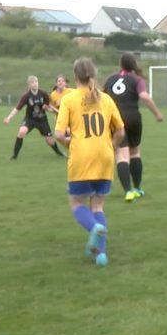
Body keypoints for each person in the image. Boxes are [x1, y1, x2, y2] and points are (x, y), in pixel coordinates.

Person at [54, 57, 125, 267]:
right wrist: (110, 145)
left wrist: (70, 143)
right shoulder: (106, 99)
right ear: (92, 74)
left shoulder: (69, 99)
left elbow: (58, 134)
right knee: (98, 205)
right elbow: (120, 130)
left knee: (77, 204)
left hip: (82, 158)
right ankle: (100, 254)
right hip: (105, 157)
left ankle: (93, 228)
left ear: (75, 76)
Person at [103, 52, 164, 202]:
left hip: (116, 118)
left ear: (120, 64)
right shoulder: (137, 79)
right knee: (135, 152)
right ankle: (137, 188)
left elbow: (102, 98)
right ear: (133, 64)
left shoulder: (110, 79)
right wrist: (157, 113)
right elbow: (143, 96)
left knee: (121, 155)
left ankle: (128, 191)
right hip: (134, 117)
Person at [3, 75, 64, 159]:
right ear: (29, 85)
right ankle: (14, 155)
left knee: (49, 141)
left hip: (42, 120)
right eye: (32, 82)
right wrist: (9, 117)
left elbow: (48, 106)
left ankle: (59, 152)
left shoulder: (43, 93)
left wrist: (55, 111)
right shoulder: (26, 96)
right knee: (22, 132)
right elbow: (17, 108)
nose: (35, 84)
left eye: (36, 82)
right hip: (30, 120)